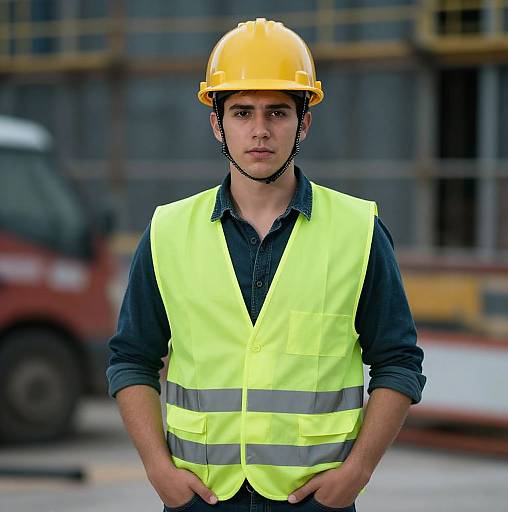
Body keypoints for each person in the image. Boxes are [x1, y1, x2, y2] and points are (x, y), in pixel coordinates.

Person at [107, 18, 426, 512]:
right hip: (202, 497)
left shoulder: (358, 230)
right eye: (241, 112)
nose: (259, 130)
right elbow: (131, 359)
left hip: (315, 500)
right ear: (217, 122)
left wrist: (358, 472)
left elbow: (399, 363)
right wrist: (157, 469)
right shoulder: (168, 231)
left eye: (278, 112)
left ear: (305, 121)